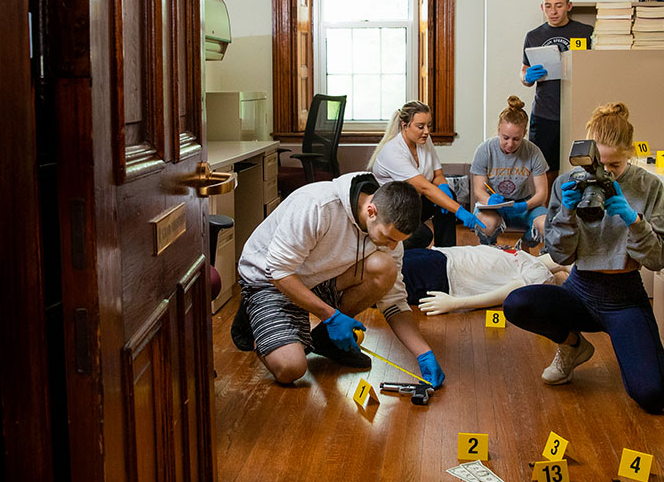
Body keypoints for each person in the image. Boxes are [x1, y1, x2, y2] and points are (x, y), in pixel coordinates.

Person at [502, 103, 664, 413]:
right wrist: (567, 213)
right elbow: (559, 254)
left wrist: (634, 222)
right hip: (580, 290)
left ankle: (620, 347)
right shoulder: (568, 182)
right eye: (598, 166)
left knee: (654, 395)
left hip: (625, 297)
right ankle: (572, 346)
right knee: (517, 303)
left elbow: (660, 258)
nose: (605, 175)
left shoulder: (648, 186)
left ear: (630, 154)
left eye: (615, 166)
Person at [229, 172, 446, 387]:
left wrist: (423, 353)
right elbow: (277, 270)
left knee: (384, 268)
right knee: (291, 368)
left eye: (397, 241)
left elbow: (394, 301)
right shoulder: (317, 206)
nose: (391, 246)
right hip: (271, 281)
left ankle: (325, 340)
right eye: (388, 238)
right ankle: (256, 322)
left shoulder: (389, 235)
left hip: (317, 278)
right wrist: (330, 315)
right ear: (371, 211)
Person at [369, 100, 489, 249]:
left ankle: (447, 253)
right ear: (404, 126)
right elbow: (425, 188)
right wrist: (461, 211)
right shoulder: (393, 152)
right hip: (392, 211)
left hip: (412, 202)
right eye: (420, 127)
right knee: (422, 235)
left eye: (428, 125)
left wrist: (444, 187)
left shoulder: (424, 140)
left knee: (448, 194)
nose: (426, 131)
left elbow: (437, 175)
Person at [521, 0, 593, 177]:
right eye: (548, 6)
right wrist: (527, 77)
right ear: (542, 7)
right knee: (545, 172)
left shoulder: (586, 33)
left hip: (578, 113)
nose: (553, 11)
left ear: (569, 6)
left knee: (580, 170)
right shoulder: (533, 36)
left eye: (559, 5)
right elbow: (524, 74)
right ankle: (547, 209)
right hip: (545, 114)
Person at [469, 95, 551, 248]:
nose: (510, 144)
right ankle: (489, 249)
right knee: (486, 224)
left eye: (516, 139)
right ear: (499, 130)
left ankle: (525, 243)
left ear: (524, 134)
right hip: (493, 205)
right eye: (505, 137)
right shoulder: (485, 150)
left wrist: (524, 206)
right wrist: (490, 201)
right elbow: (479, 191)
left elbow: (542, 194)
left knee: (547, 225)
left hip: (523, 204)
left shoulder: (533, 152)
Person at [401, 245, 568, 315]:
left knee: (380, 284)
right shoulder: (530, 258)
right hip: (441, 255)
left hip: (446, 275)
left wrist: (455, 303)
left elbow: (506, 294)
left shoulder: (540, 276)